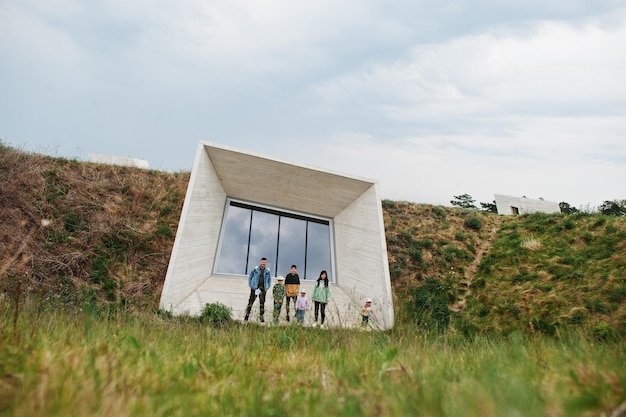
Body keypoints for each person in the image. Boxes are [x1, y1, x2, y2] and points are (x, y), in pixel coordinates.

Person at [244, 257, 272, 323]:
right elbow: (250, 276)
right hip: (255, 288)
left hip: (263, 289)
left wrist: (268, 286)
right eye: (262, 262)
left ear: (266, 263)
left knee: (262, 303)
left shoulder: (267, 270)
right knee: (251, 301)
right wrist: (250, 285)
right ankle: (247, 314)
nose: (263, 263)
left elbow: (269, 279)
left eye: (264, 262)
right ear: (260, 262)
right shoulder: (255, 269)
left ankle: (261, 316)